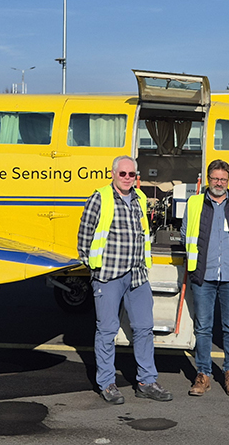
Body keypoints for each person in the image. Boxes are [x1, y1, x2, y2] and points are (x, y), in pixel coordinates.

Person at [77, 155, 173, 404]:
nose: (128, 178)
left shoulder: (140, 198)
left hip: (137, 274)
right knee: (107, 330)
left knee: (144, 328)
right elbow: (84, 234)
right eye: (123, 174)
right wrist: (93, 266)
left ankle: (146, 381)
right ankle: (107, 384)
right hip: (108, 276)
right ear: (113, 174)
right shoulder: (100, 197)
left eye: (132, 174)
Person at [181, 159, 229, 396]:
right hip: (204, 275)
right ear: (208, 179)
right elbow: (185, 234)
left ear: (228, 180)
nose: (219, 183)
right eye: (215, 178)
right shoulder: (194, 203)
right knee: (203, 328)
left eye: (223, 179)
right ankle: (203, 374)